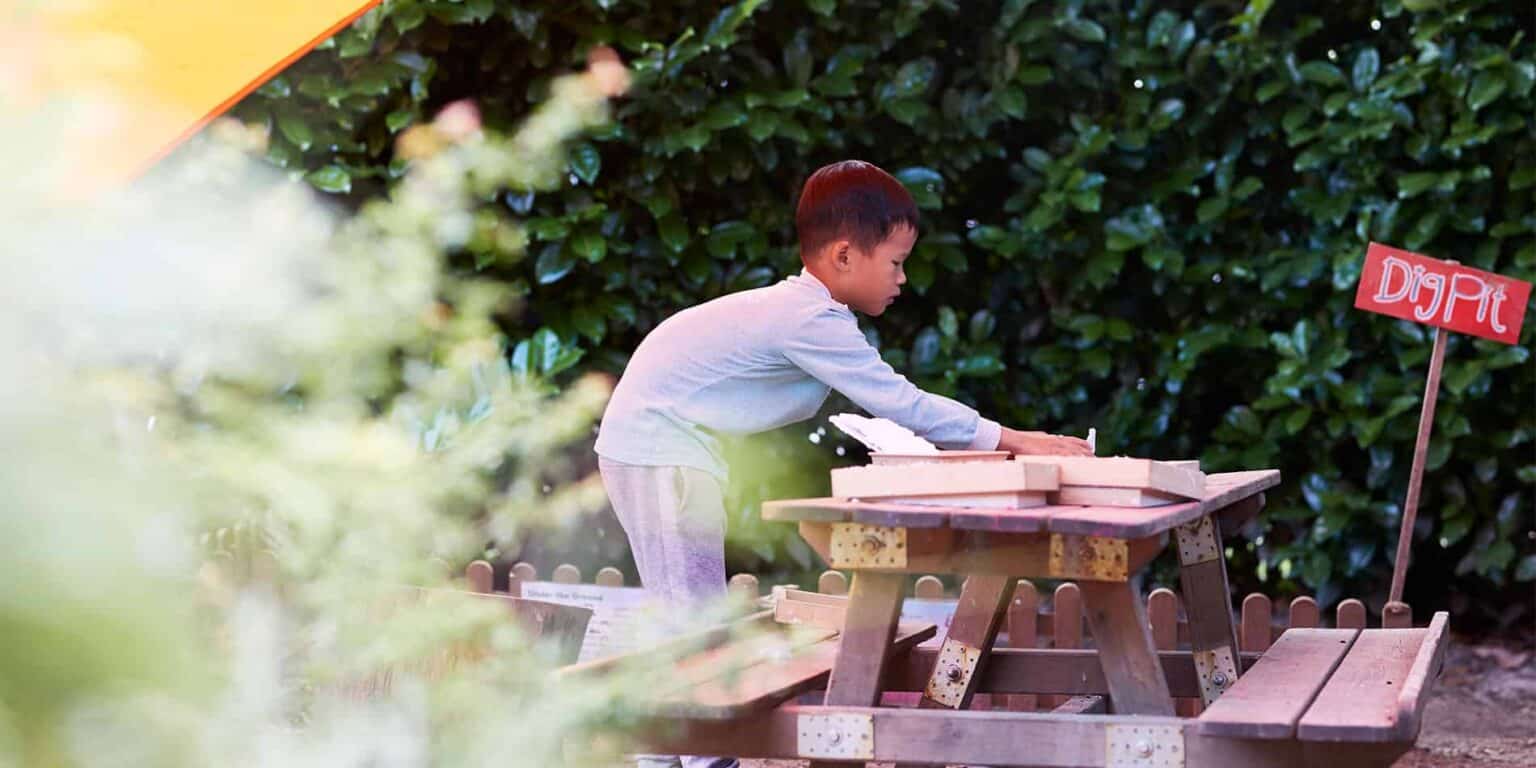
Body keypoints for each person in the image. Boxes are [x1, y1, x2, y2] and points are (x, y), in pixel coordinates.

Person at [593, 160, 1090, 768]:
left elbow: (886, 410)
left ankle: (667, 756)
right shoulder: (808, 319)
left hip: (662, 450)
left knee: (685, 619)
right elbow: (901, 402)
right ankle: (700, 756)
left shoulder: (809, 315)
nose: (903, 279)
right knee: (695, 625)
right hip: (658, 449)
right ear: (845, 255)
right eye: (897, 261)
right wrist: (1015, 438)